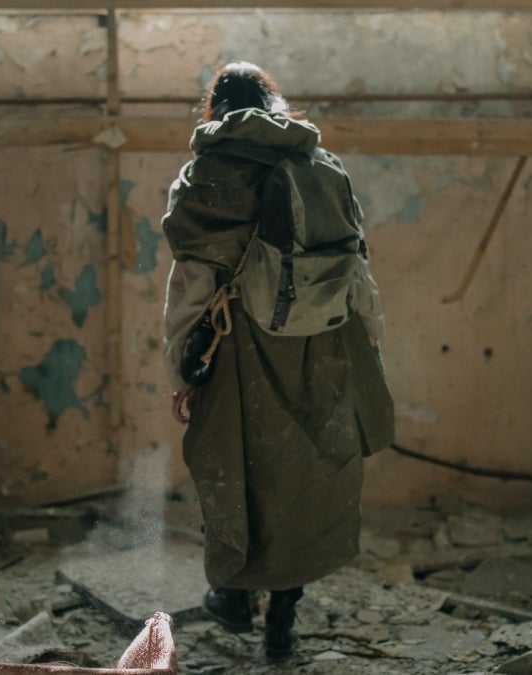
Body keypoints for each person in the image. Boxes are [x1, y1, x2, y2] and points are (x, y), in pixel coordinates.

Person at [161, 62, 395, 661]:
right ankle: (282, 625)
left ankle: (235, 598)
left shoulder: (205, 176)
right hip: (324, 348)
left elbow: (191, 284)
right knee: (304, 481)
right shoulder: (323, 168)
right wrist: (371, 341)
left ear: (214, 108)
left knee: (229, 465)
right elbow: (357, 269)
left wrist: (183, 371)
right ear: (275, 102)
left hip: (237, 346)